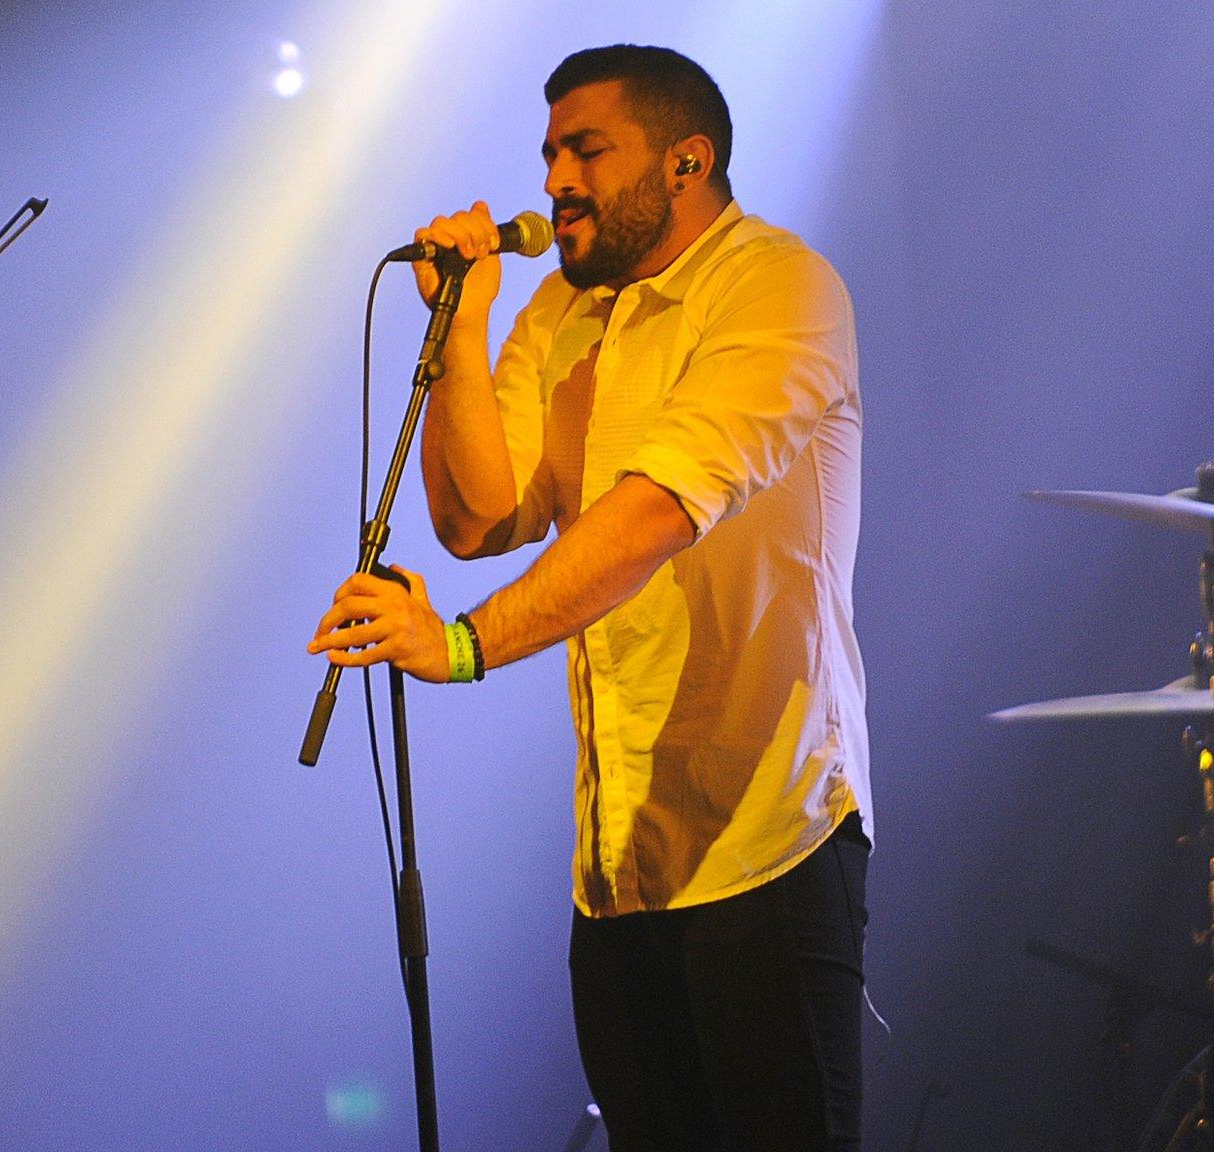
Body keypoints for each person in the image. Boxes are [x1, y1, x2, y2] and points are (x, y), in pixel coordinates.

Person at [308, 45, 871, 1151]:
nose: (555, 177)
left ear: (684, 162)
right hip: (615, 870)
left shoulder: (776, 287)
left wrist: (462, 647)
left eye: (586, 149)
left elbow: (655, 512)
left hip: (766, 844)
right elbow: (477, 518)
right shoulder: (562, 317)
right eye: (548, 153)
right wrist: (461, 329)